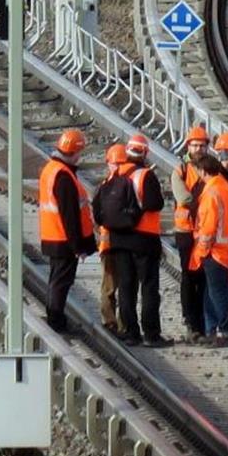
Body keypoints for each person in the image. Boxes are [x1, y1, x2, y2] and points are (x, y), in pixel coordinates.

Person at [107, 134, 170, 347]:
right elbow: (155, 203)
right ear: (145, 153)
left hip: (118, 239)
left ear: (127, 151)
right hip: (144, 240)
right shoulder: (146, 176)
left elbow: (101, 207)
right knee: (149, 287)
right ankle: (151, 334)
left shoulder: (115, 174)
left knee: (126, 287)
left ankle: (131, 332)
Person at [38, 128, 97, 334]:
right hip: (63, 240)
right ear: (74, 151)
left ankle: (55, 316)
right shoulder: (63, 176)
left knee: (57, 280)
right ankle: (55, 320)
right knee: (61, 282)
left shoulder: (51, 169)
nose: (81, 157)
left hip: (52, 235)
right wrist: (77, 246)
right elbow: (69, 215)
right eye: (80, 153)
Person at [189, 153, 228, 347]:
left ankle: (222, 330)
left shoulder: (211, 192)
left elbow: (208, 227)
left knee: (216, 292)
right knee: (212, 292)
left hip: (215, 251)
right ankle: (213, 329)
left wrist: (201, 251)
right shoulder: (225, 188)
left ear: (203, 171)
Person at [172, 126, 210, 342]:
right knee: (189, 276)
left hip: (205, 231)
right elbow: (183, 198)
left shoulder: (211, 169)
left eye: (202, 145)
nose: (199, 149)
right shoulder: (181, 170)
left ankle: (201, 322)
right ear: (188, 146)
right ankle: (191, 322)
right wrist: (208, 203)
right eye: (195, 145)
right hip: (186, 230)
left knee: (203, 278)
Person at [97, 143, 127, 335]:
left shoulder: (123, 187)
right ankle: (109, 322)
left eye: (119, 164)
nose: (116, 167)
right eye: (113, 164)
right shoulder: (104, 187)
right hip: (109, 246)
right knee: (109, 287)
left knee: (124, 286)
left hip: (122, 245)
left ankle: (122, 324)